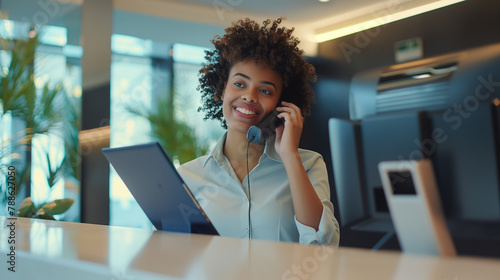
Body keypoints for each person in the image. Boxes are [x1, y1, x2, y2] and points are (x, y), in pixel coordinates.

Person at [177, 18, 340, 246]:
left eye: (265, 90)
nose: (250, 96)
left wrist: (290, 157)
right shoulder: (188, 176)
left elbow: (323, 245)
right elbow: (176, 252)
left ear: (281, 104)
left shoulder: (309, 164)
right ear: (222, 90)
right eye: (240, 84)